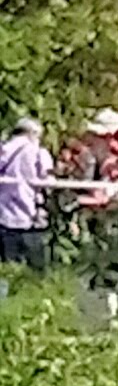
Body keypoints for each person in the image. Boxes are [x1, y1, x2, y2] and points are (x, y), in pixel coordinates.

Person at [0, 115, 48, 274]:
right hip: (29, 218)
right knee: (34, 271)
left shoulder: (4, 149)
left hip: (4, 216)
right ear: (33, 133)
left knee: (7, 269)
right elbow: (46, 179)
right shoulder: (36, 151)